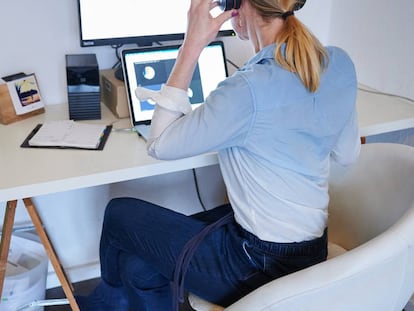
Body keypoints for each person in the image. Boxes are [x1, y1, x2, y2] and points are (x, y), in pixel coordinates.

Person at [76, 0, 360, 310]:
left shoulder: (246, 89)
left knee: (119, 214)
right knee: (139, 268)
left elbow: (159, 144)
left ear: (240, 7)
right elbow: (346, 154)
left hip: (258, 263)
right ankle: (114, 301)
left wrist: (192, 44)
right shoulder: (338, 62)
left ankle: (106, 302)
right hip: (310, 249)